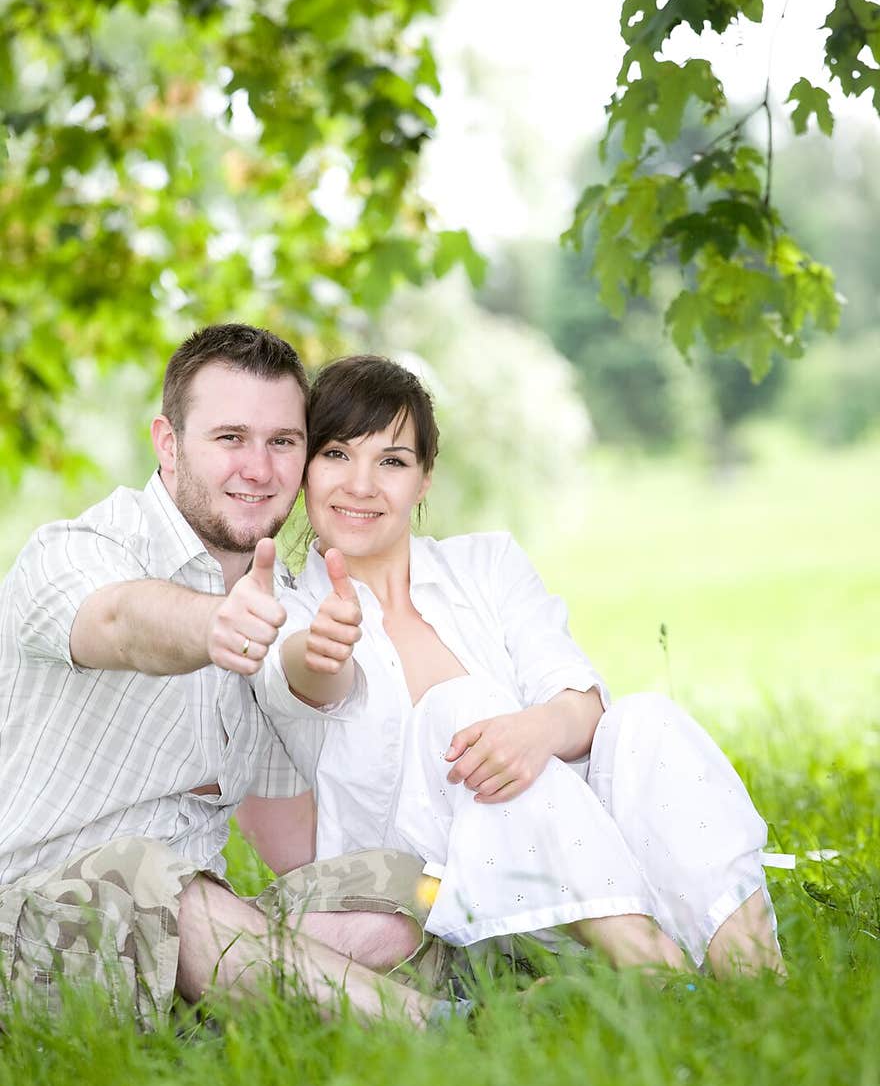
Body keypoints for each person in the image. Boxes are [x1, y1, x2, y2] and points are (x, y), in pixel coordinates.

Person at [238, 354, 787, 982]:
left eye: (391, 460)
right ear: (304, 470)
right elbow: (298, 680)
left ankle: (756, 978)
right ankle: (655, 968)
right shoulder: (284, 609)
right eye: (337, 454)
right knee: (459, 710)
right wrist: (319, 652)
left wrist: (535, 732)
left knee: (646, 719)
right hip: (434, 902)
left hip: (579, 863)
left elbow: (582, 706)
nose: (361, 484)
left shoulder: (486, 566)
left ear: (424, 480)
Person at [0, 324, 459, 1033]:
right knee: (147, 873)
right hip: (29, 935)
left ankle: (227, 1017)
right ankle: (436, 1031)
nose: (260, 468)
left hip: (190, 929)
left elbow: (296, 844)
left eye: (283, 442)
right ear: (168, 441)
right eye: (230, 439)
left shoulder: (280, 610)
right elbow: (119, 620)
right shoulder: (75, 552)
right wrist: (213, 626)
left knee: (406, 887)